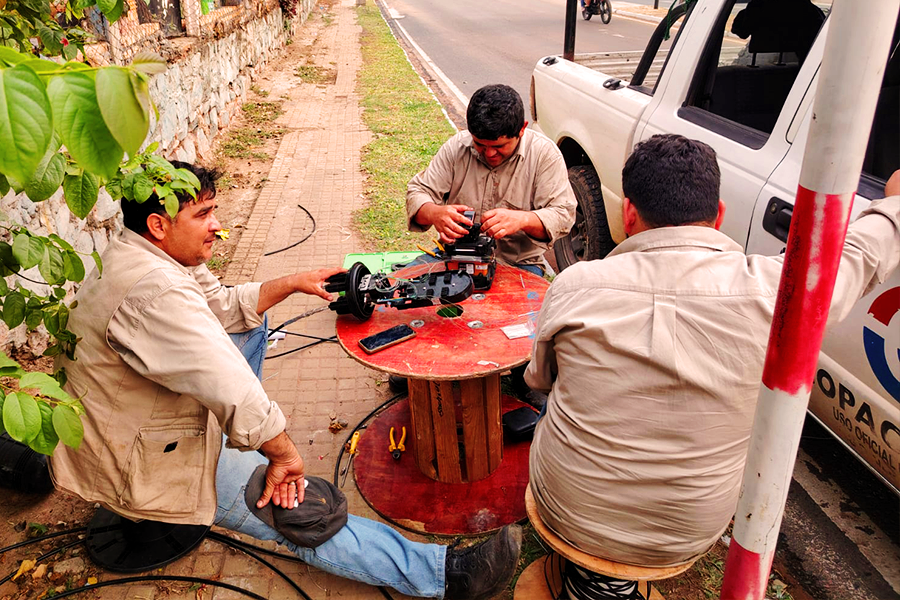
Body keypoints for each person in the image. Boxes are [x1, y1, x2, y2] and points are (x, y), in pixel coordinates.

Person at [48, 163, 522, 600]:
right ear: (160, 224)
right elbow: (227, 381)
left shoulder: (145, 254)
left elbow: (226, 308)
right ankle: (442, 576)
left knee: (250, 325)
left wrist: (295, 281)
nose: (217, 224)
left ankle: (249, 443)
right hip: (141, 456)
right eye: (205, 214)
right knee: (301, 512)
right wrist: (284, 455)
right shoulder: (156, 291)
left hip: (126, 415)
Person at [526, 135, 900, 570]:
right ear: (719, 215)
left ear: (629, 214)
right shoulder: (778, 294)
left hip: (566, 508)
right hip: (686, 533)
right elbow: (858, 254)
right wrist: (894, 207)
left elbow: (539, 380)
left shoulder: (575, 285)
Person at [406, 84, 576, 278]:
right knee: (400, 292)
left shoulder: (544, 155)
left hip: (518, 263)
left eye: (499, 146)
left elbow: (563, 214)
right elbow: (417, 192)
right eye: (479, 144)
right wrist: (434, 213)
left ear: (522, 129)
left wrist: (523, 219)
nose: (489, 154)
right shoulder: (456, 148)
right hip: (455, 256)